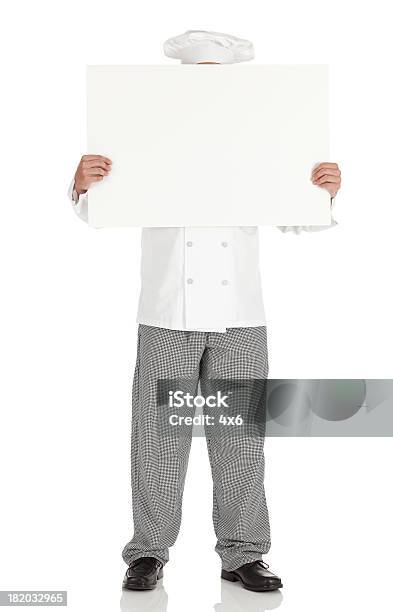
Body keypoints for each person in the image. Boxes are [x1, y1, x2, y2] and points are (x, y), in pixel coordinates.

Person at [67, 30, 341, 593]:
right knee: (157, 439)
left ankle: (243, 553)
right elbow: (106, 209)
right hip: (166, 310)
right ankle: (148, 552)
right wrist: (81, 187)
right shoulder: (145, 141)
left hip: (241, 312)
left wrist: (322, 193)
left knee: (240, 437)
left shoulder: (261, 144)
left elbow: (296, 216)